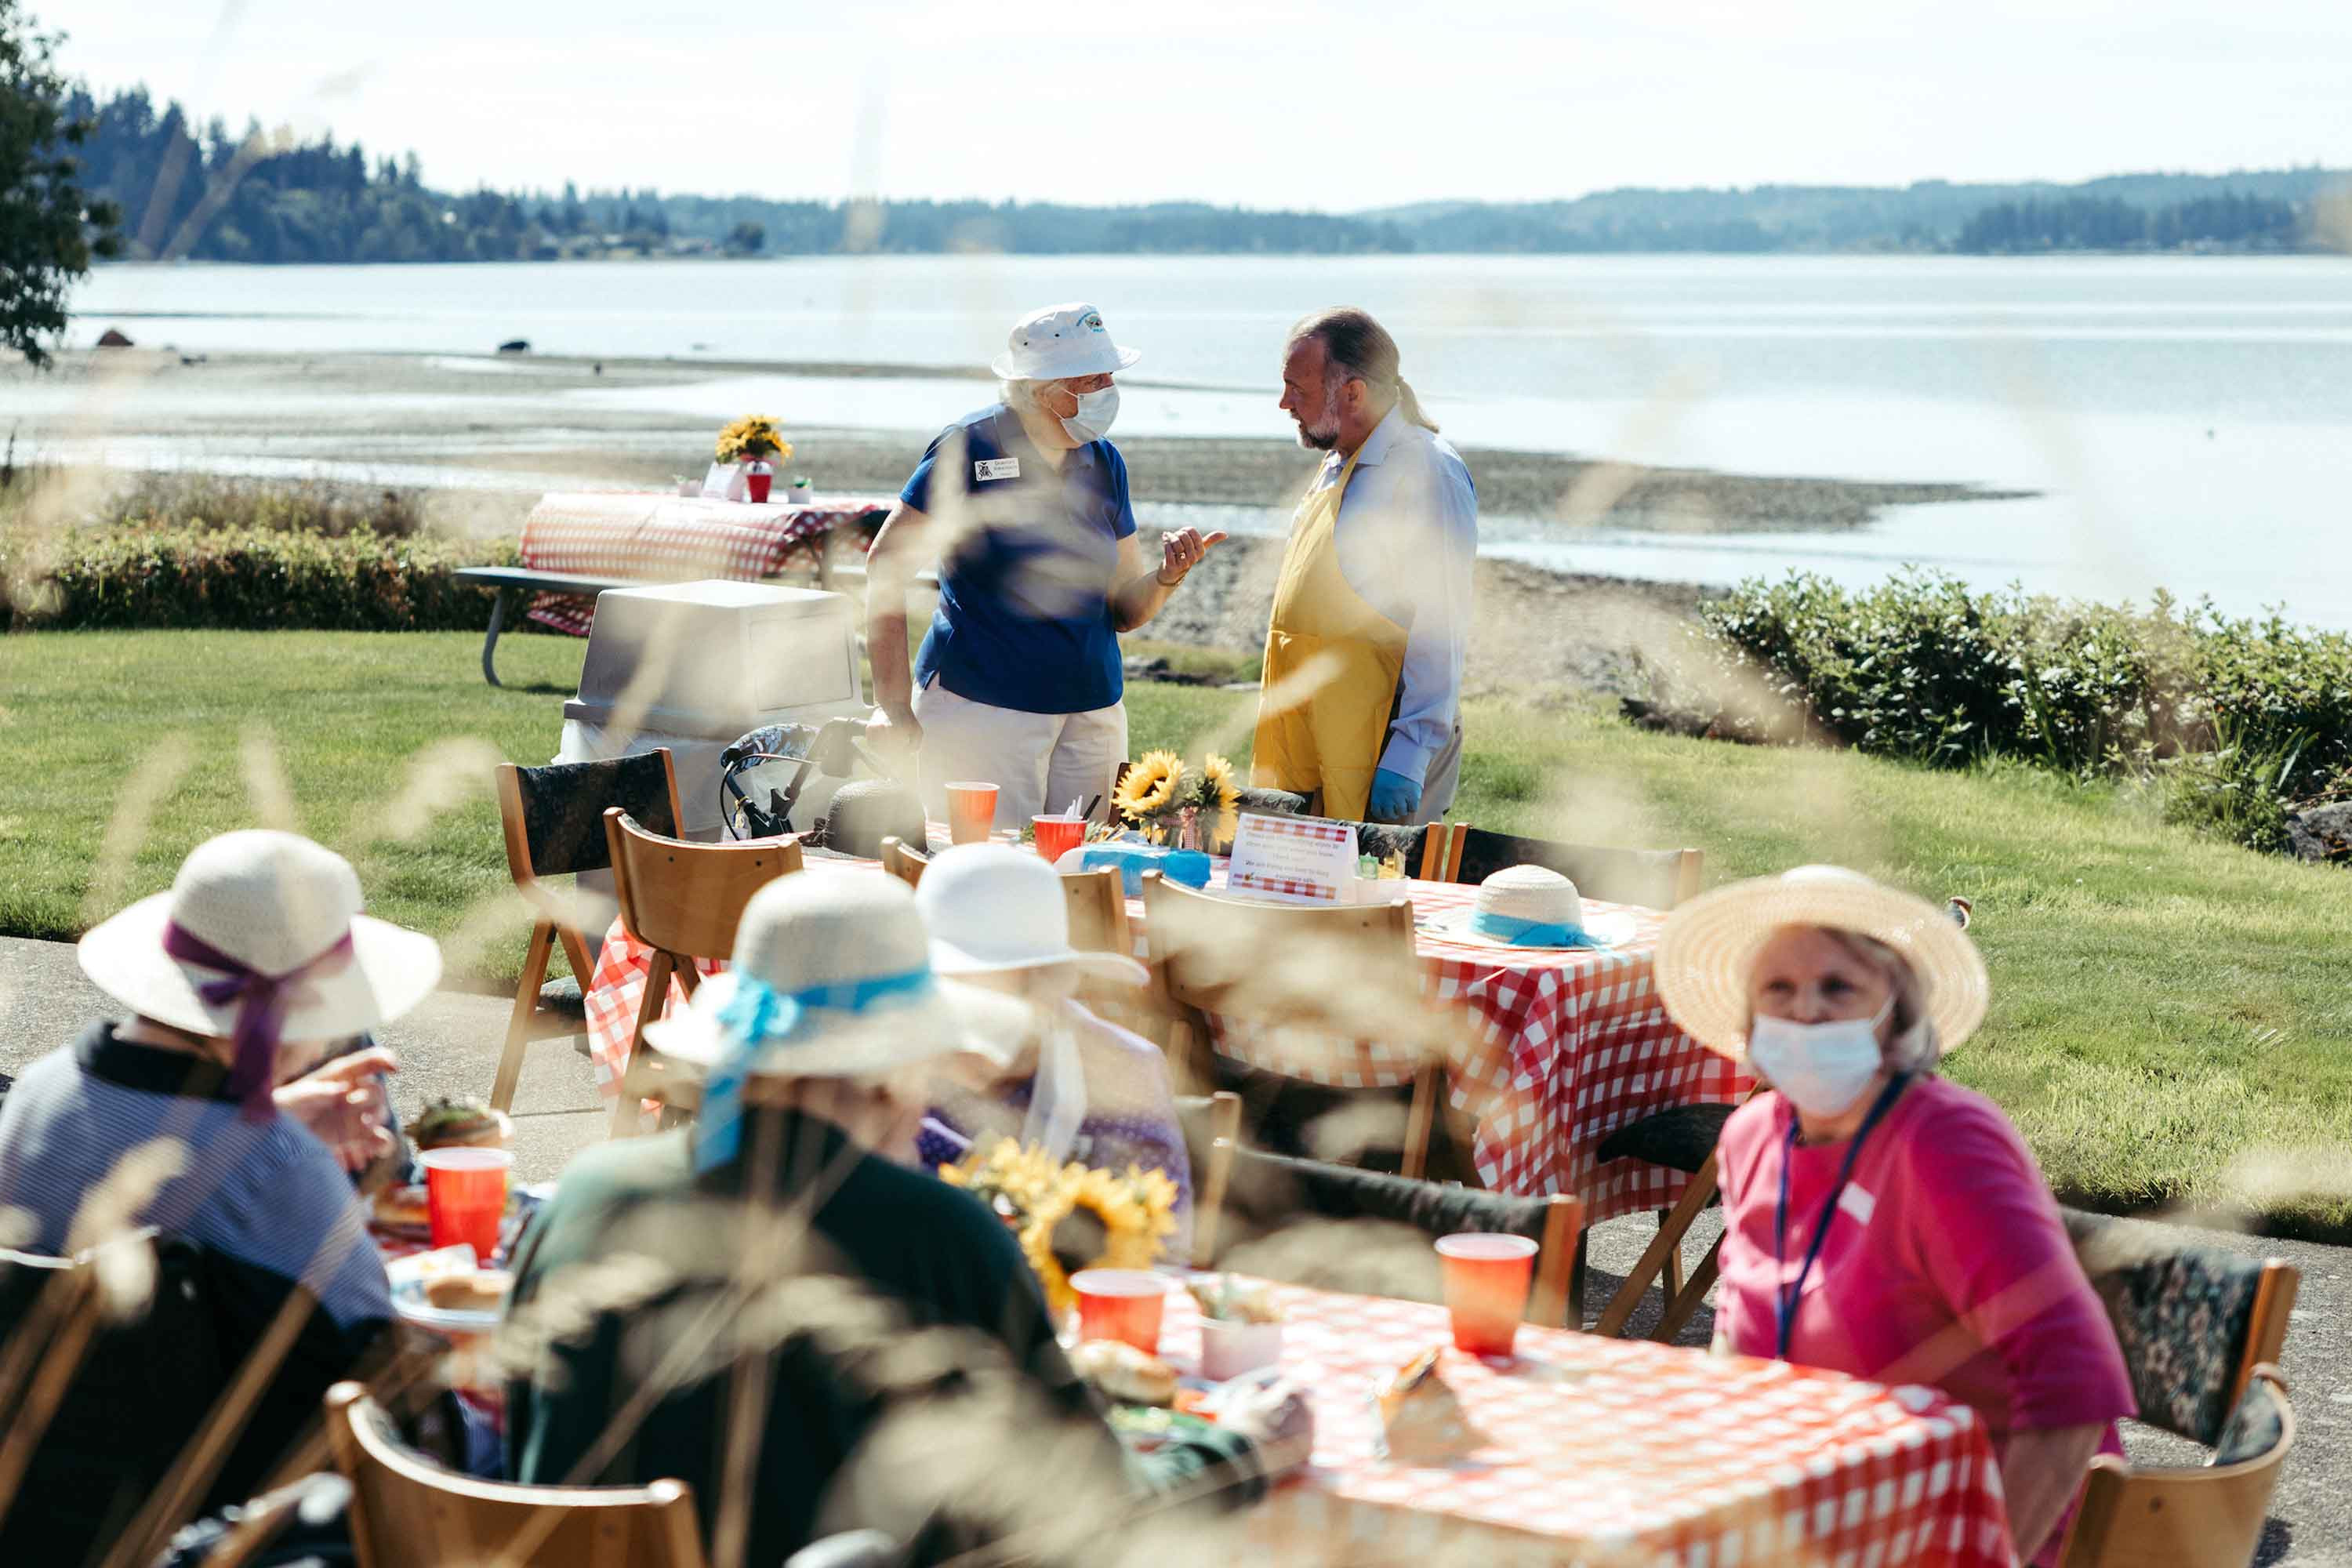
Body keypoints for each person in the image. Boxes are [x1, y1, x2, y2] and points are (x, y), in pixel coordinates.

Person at [504, 871, 1306, 1566]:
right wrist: (1237, 1445)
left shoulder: (585, 1193)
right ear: (896, 1068)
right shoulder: (938, 1233)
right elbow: (1088, 1513)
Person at [1652, 866, 2135, 1566]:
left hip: (1980, 1534)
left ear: (1898, 1010)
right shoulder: (1752, 1137)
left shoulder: (1940, 1143)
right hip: (1818, 1524)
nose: (1805, 1012)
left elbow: (2075, 1388)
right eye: (1778, 989)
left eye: (1839, 987)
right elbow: (1740, 1350)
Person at [0, 829, 441, 1542]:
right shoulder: (275, 1167)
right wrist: (286, 1150)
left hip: (45, 1512)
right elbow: (384, 1379)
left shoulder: (38, 1093)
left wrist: (279, 1126)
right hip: (229, 1526)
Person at [865, 303, 1225, 829]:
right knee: (982, 872)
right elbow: (885, 566)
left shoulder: (1104, 461)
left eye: (1109, 375)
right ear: (1039, 388)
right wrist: (891, 706)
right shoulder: (970, 445)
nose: (1108, 388)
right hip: (981, 708)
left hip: (1093, 712)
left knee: (1087, 873)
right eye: (1091, 378)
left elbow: (1126, 608)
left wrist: (1169, 577)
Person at [907, 844, 1193, 1254]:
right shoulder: (886, 1072)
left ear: (1044, 987)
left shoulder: (1121, 1074)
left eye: (977, 997)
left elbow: (1165, 1246)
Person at [1252, 307, 1475, 825]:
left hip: (1384, 741)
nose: (1285, 404)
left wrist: (1409, 754)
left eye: (1297, 389)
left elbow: (1443, 620)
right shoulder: (1335, 464)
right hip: (1308, 740)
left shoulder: (1426, 470)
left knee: (1379, 901)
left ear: (1352, 392)